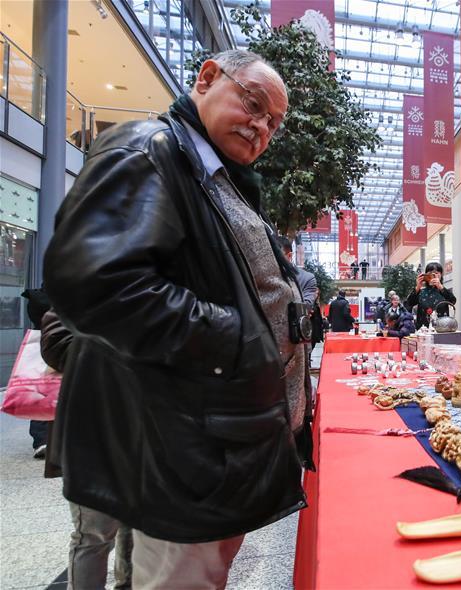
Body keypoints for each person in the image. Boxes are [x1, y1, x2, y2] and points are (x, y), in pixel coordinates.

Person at [43, 50, 307, 588]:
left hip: (209, 442)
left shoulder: (210, 172)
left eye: (272, 123)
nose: (261, 127)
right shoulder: (149, 151)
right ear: (207, 77)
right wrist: (235, 338)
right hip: (182, 448)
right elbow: (96, 282)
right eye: (253, 105)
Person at [40, 309, 135, 590]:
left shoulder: (144, 300)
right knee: (93, 534)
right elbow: (60, 350)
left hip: (141, 440)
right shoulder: (67, 306)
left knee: (136, 530)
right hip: (89, 443)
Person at [19, 287, 51, 459]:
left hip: (44, 344)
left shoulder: (40, 296)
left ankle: (42, 440)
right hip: (62, 343)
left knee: (42, 391)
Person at [406, 262, 456, 329]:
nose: (433, 275)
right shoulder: (421, 291)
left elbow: (453, 301)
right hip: (423, 330)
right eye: (430, 273)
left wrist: (440, 286)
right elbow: (409, 302)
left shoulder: (443, 291)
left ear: (441, 275)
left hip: (442, 328)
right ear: (425, 275)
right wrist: (417, 287)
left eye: (436, 273)